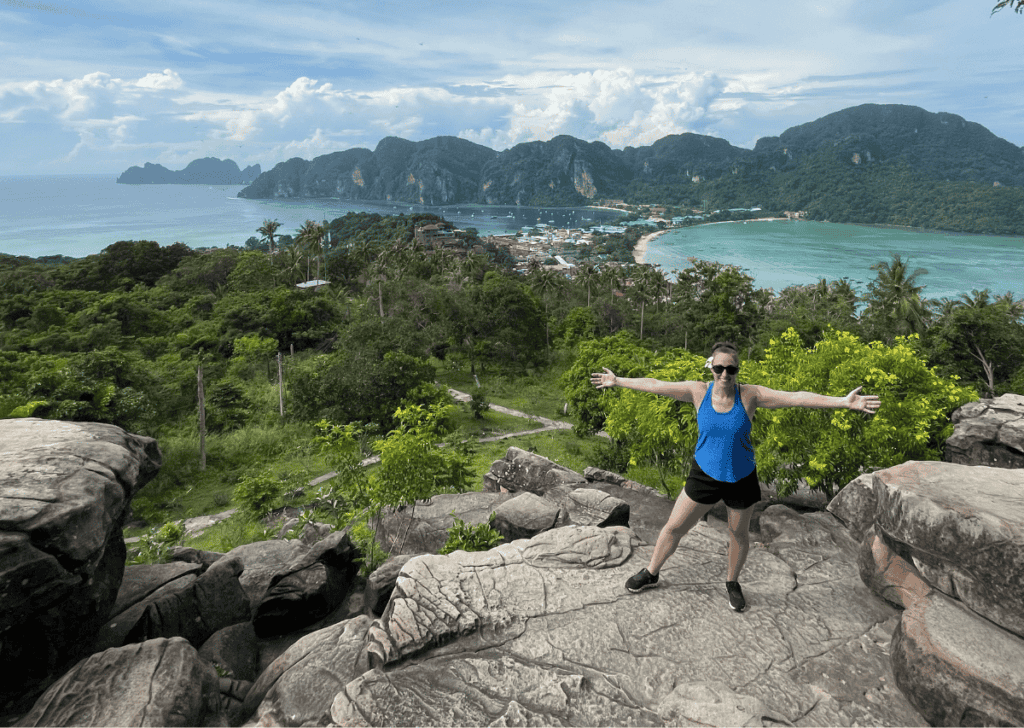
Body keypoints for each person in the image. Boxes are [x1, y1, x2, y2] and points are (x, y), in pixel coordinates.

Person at [590, 340, 880, 611]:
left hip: (741, 477)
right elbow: (655, 384)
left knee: (738, 534)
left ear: (737, 370)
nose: (725, 374)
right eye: (719, 368)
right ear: (711, 368)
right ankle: (651, 572)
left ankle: (732, 582)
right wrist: (617, 381)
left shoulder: (750, 395)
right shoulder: (697, 391)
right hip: (704, 474)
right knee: (674, 526)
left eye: (731, 369)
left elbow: (796, 397)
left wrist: (842, 402)